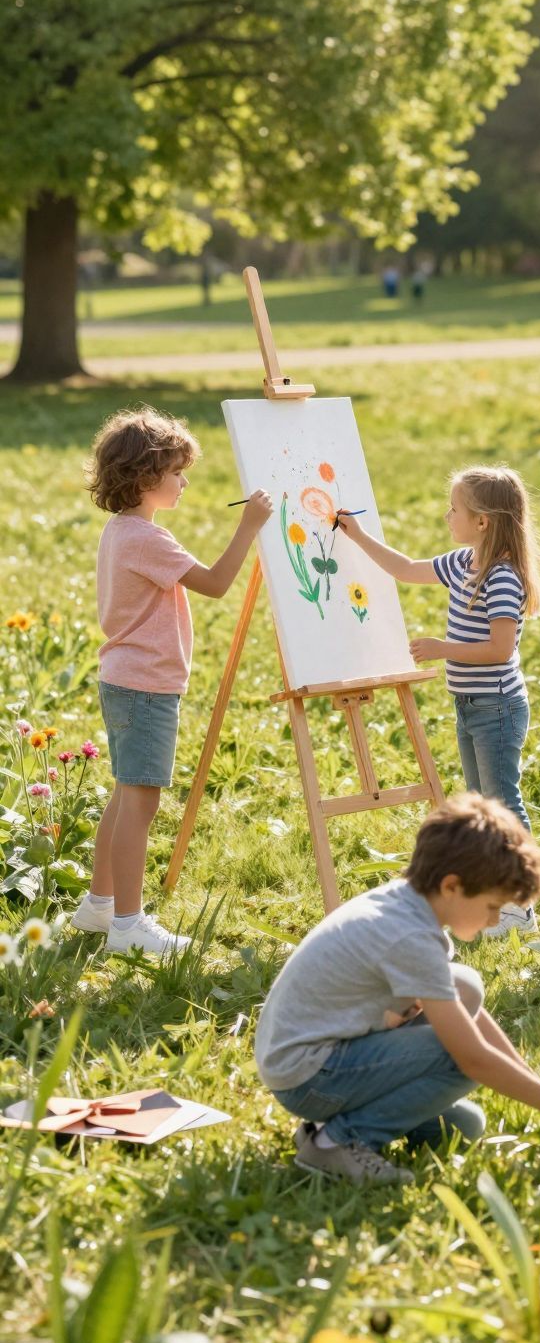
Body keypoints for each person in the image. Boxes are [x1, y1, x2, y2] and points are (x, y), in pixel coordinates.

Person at [255, 793, 540, 1186]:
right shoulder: (408, 937)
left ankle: (326, 1126)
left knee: (462, 1122)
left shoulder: (411, 905)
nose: (493, 921)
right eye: (491, 906)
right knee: (458, 1058)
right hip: (307, 1075)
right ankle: (336, 1143)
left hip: (319, 1057)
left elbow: (470, 1018)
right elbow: (473, 1057)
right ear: (452, 886)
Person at [76, 407, 272, 957]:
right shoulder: (147, 539)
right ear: (145, 477)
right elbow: (215, 583)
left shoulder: (121, 531)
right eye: (177, 472)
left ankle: (99, 905)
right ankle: (128, 925)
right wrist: (248, 526)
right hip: (145, 686)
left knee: (125, 793)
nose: (184, 483)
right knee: (140, 804)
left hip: (127, 681)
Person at [337, 468, 540, 936]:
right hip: (470, 705)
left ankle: (521, 904)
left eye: (454, 509)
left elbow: (500, 650)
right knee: (483, 806)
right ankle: (494, 899)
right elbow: (407, 570)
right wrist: (358, 535)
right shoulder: (463, 562)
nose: (447, 516)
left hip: (498, 708)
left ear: (482, 521)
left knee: (502, 805)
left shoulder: (502, 577)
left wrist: (442, 648)